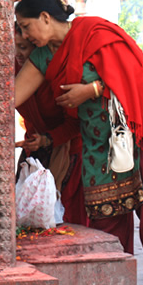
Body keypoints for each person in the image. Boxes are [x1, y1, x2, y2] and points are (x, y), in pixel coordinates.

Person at [14, 0, 143, 285]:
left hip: (139, 128)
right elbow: (12, 97)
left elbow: (136, 76)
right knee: (107, 215)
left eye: (25, 26)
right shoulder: (41, 55)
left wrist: (90, 89)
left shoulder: (93, 32)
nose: (23, 35)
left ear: (46, 18)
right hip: (97, 142)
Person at [14, 23, 87, 226]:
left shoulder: (54, 73)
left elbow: (75, 122)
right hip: (35, 150)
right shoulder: (12, 70)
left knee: (66, 218)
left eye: (23, 47)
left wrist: (48, 139)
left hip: (68, 150)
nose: (17, 54)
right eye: (14, 47)